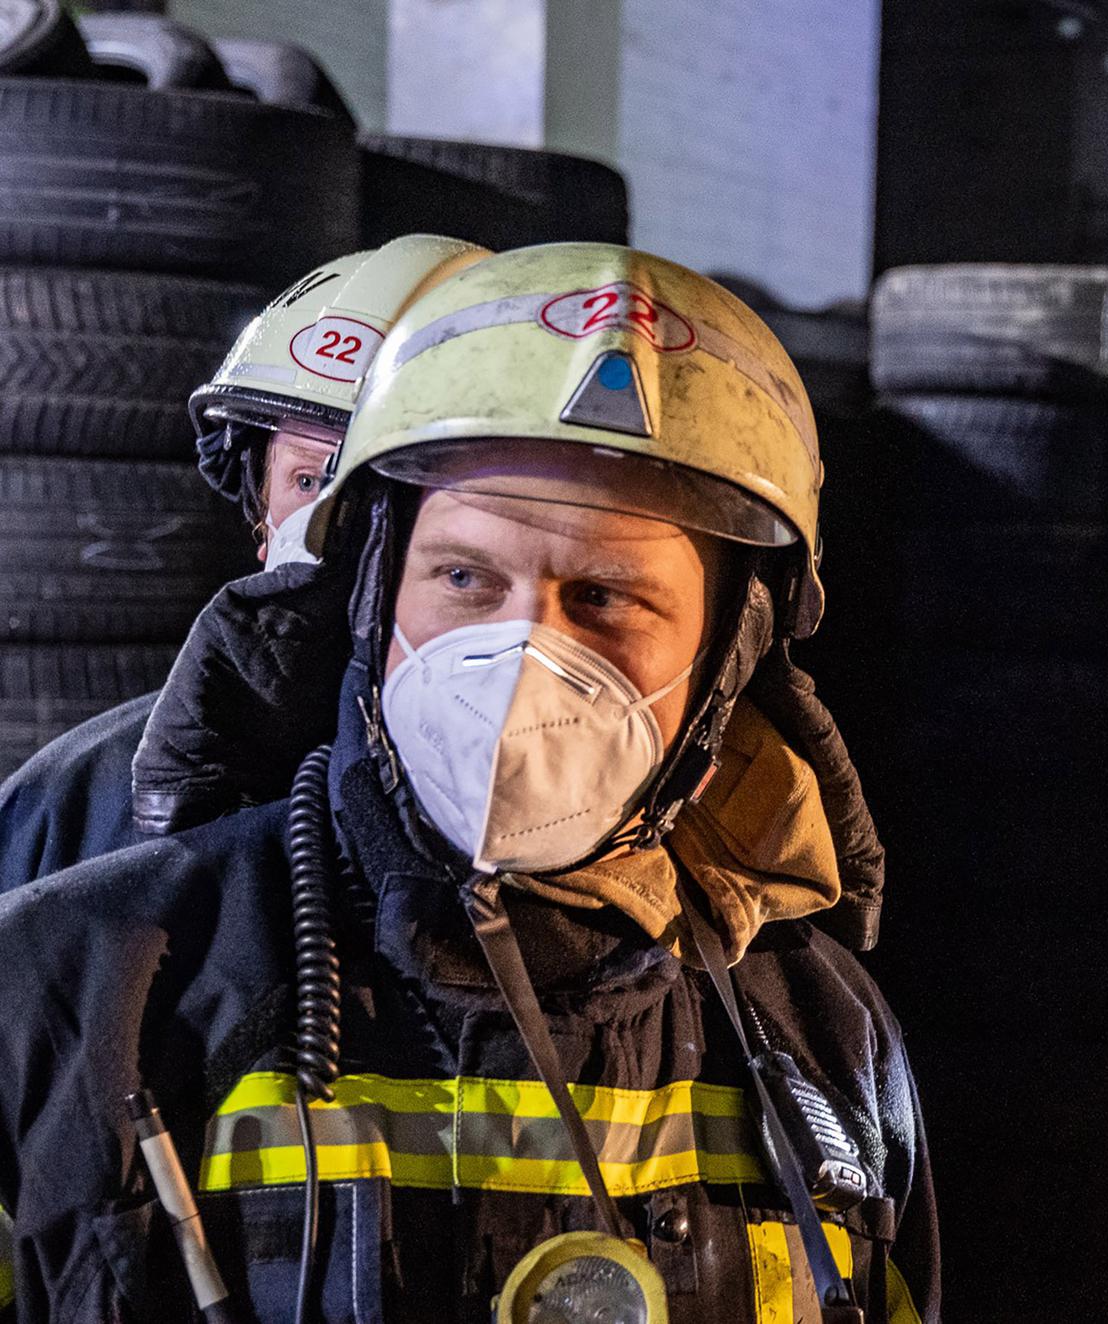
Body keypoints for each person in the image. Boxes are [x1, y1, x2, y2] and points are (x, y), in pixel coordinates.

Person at [0, 244, 936, 1321]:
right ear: (371, 591)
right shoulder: (67, 991)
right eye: (464, 576)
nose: (520, 655)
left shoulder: (823, 1036)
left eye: (605, 597)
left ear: (728, 657)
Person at [0, 235, 490, 885]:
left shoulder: (588, 811)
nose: (340, 523)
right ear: (261, 520)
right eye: (311, 481)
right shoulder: (69, 805)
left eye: (392, 486)